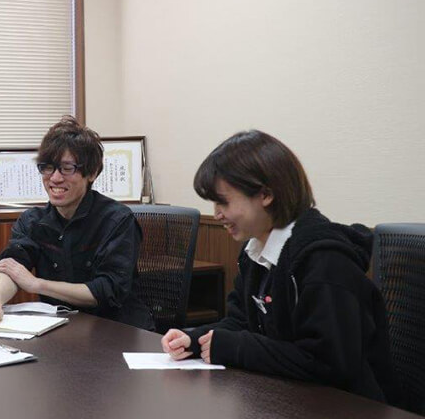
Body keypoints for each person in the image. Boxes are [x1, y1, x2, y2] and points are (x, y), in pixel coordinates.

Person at [161, 130, 398, 403]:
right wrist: (195, 339)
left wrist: (235, 348)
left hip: (349, 416)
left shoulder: (324, 260)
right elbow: (241, 321)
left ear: (265, 195)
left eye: (223, 201)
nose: (216, 214)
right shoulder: (256, 251)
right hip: (289, 402)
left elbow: (330, 362)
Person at [0, 116, 153, 330]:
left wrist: (36, 284)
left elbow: (107, 290)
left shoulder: (117, 220)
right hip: (61, 329)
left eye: (67, 168)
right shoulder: (33, 220)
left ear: (91, 172)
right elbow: (12, 265)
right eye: (47, 168)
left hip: (117, 331)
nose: (54, 178)